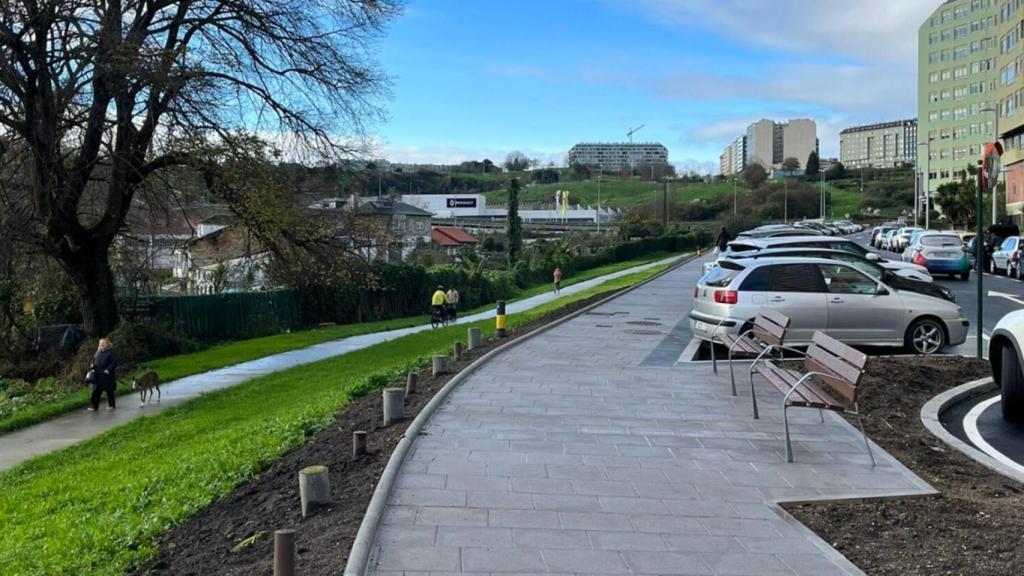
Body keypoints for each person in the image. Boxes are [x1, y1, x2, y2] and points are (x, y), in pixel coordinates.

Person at [89, 338, 118, 411]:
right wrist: (92, 366)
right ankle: (94, 406)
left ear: (107, 344)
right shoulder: (97, 352)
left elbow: (114, 363)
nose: (101, 345)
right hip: (98, 375)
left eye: (102, 344)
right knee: (96, 391)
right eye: (100, 344)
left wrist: (108, 370)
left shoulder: (111, 353)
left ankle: (111, 405)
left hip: (107, 376)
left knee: (109, 391)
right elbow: (93, 360)